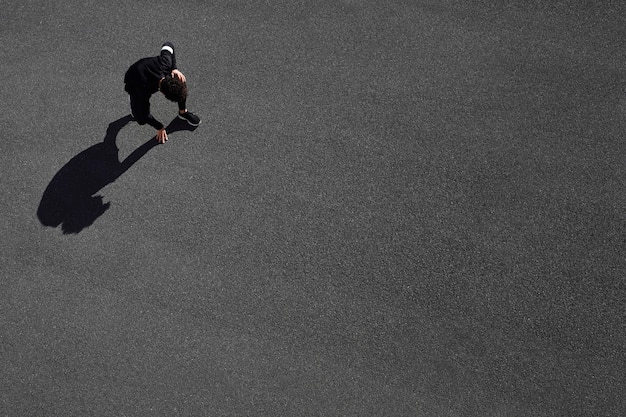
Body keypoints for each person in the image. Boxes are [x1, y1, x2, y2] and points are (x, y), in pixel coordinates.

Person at [124, 42, 200, 143]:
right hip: (133, 80)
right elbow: (146, 115)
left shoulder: (166, 62)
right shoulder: (142, 91)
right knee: (140, 118)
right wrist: (159, 127)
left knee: (181, 79)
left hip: (151, 72)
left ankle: (183, 112)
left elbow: (168, 45)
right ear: (163, 94)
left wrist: (174, 68)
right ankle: (132, 102)